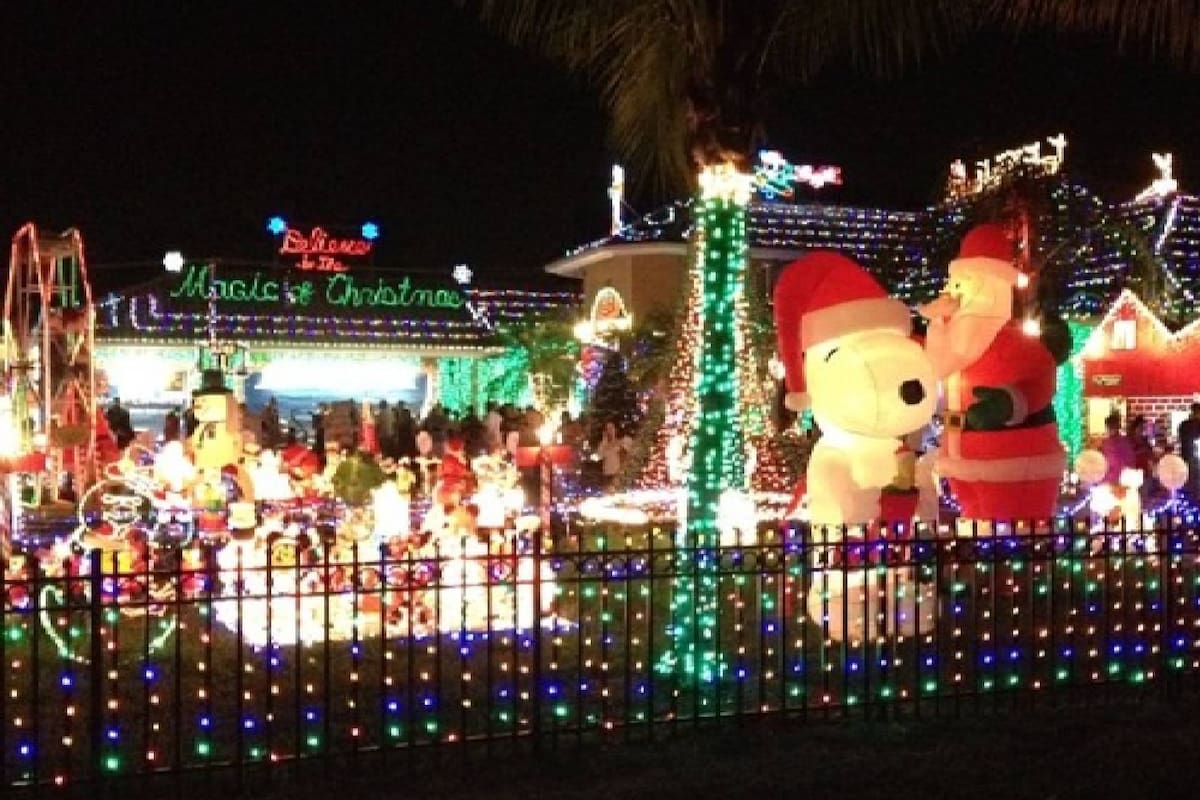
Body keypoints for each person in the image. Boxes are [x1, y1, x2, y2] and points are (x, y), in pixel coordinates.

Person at [1101, 413, 1136, 485]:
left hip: (1117, 479)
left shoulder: (1107, 443)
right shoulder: (1105, 444)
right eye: (1111, 426)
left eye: (1113, 426)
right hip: (1118, 479)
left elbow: (1131, 462)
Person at [596, 421, 631, 490]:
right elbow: (599, 456)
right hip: (608, 474)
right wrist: (604, 442)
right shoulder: (603, 444)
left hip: (619, 473)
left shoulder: (622, 441)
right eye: (608, 429)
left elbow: (628, 451)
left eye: (611, 428)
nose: (610, 431)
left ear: (615, 429)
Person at [1178, 403, 1200, 498]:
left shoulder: (1184, 425)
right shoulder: (1186, 425)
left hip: (1187, 459)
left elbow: (1181, 440)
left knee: (1190, 486)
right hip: (1192, 459)